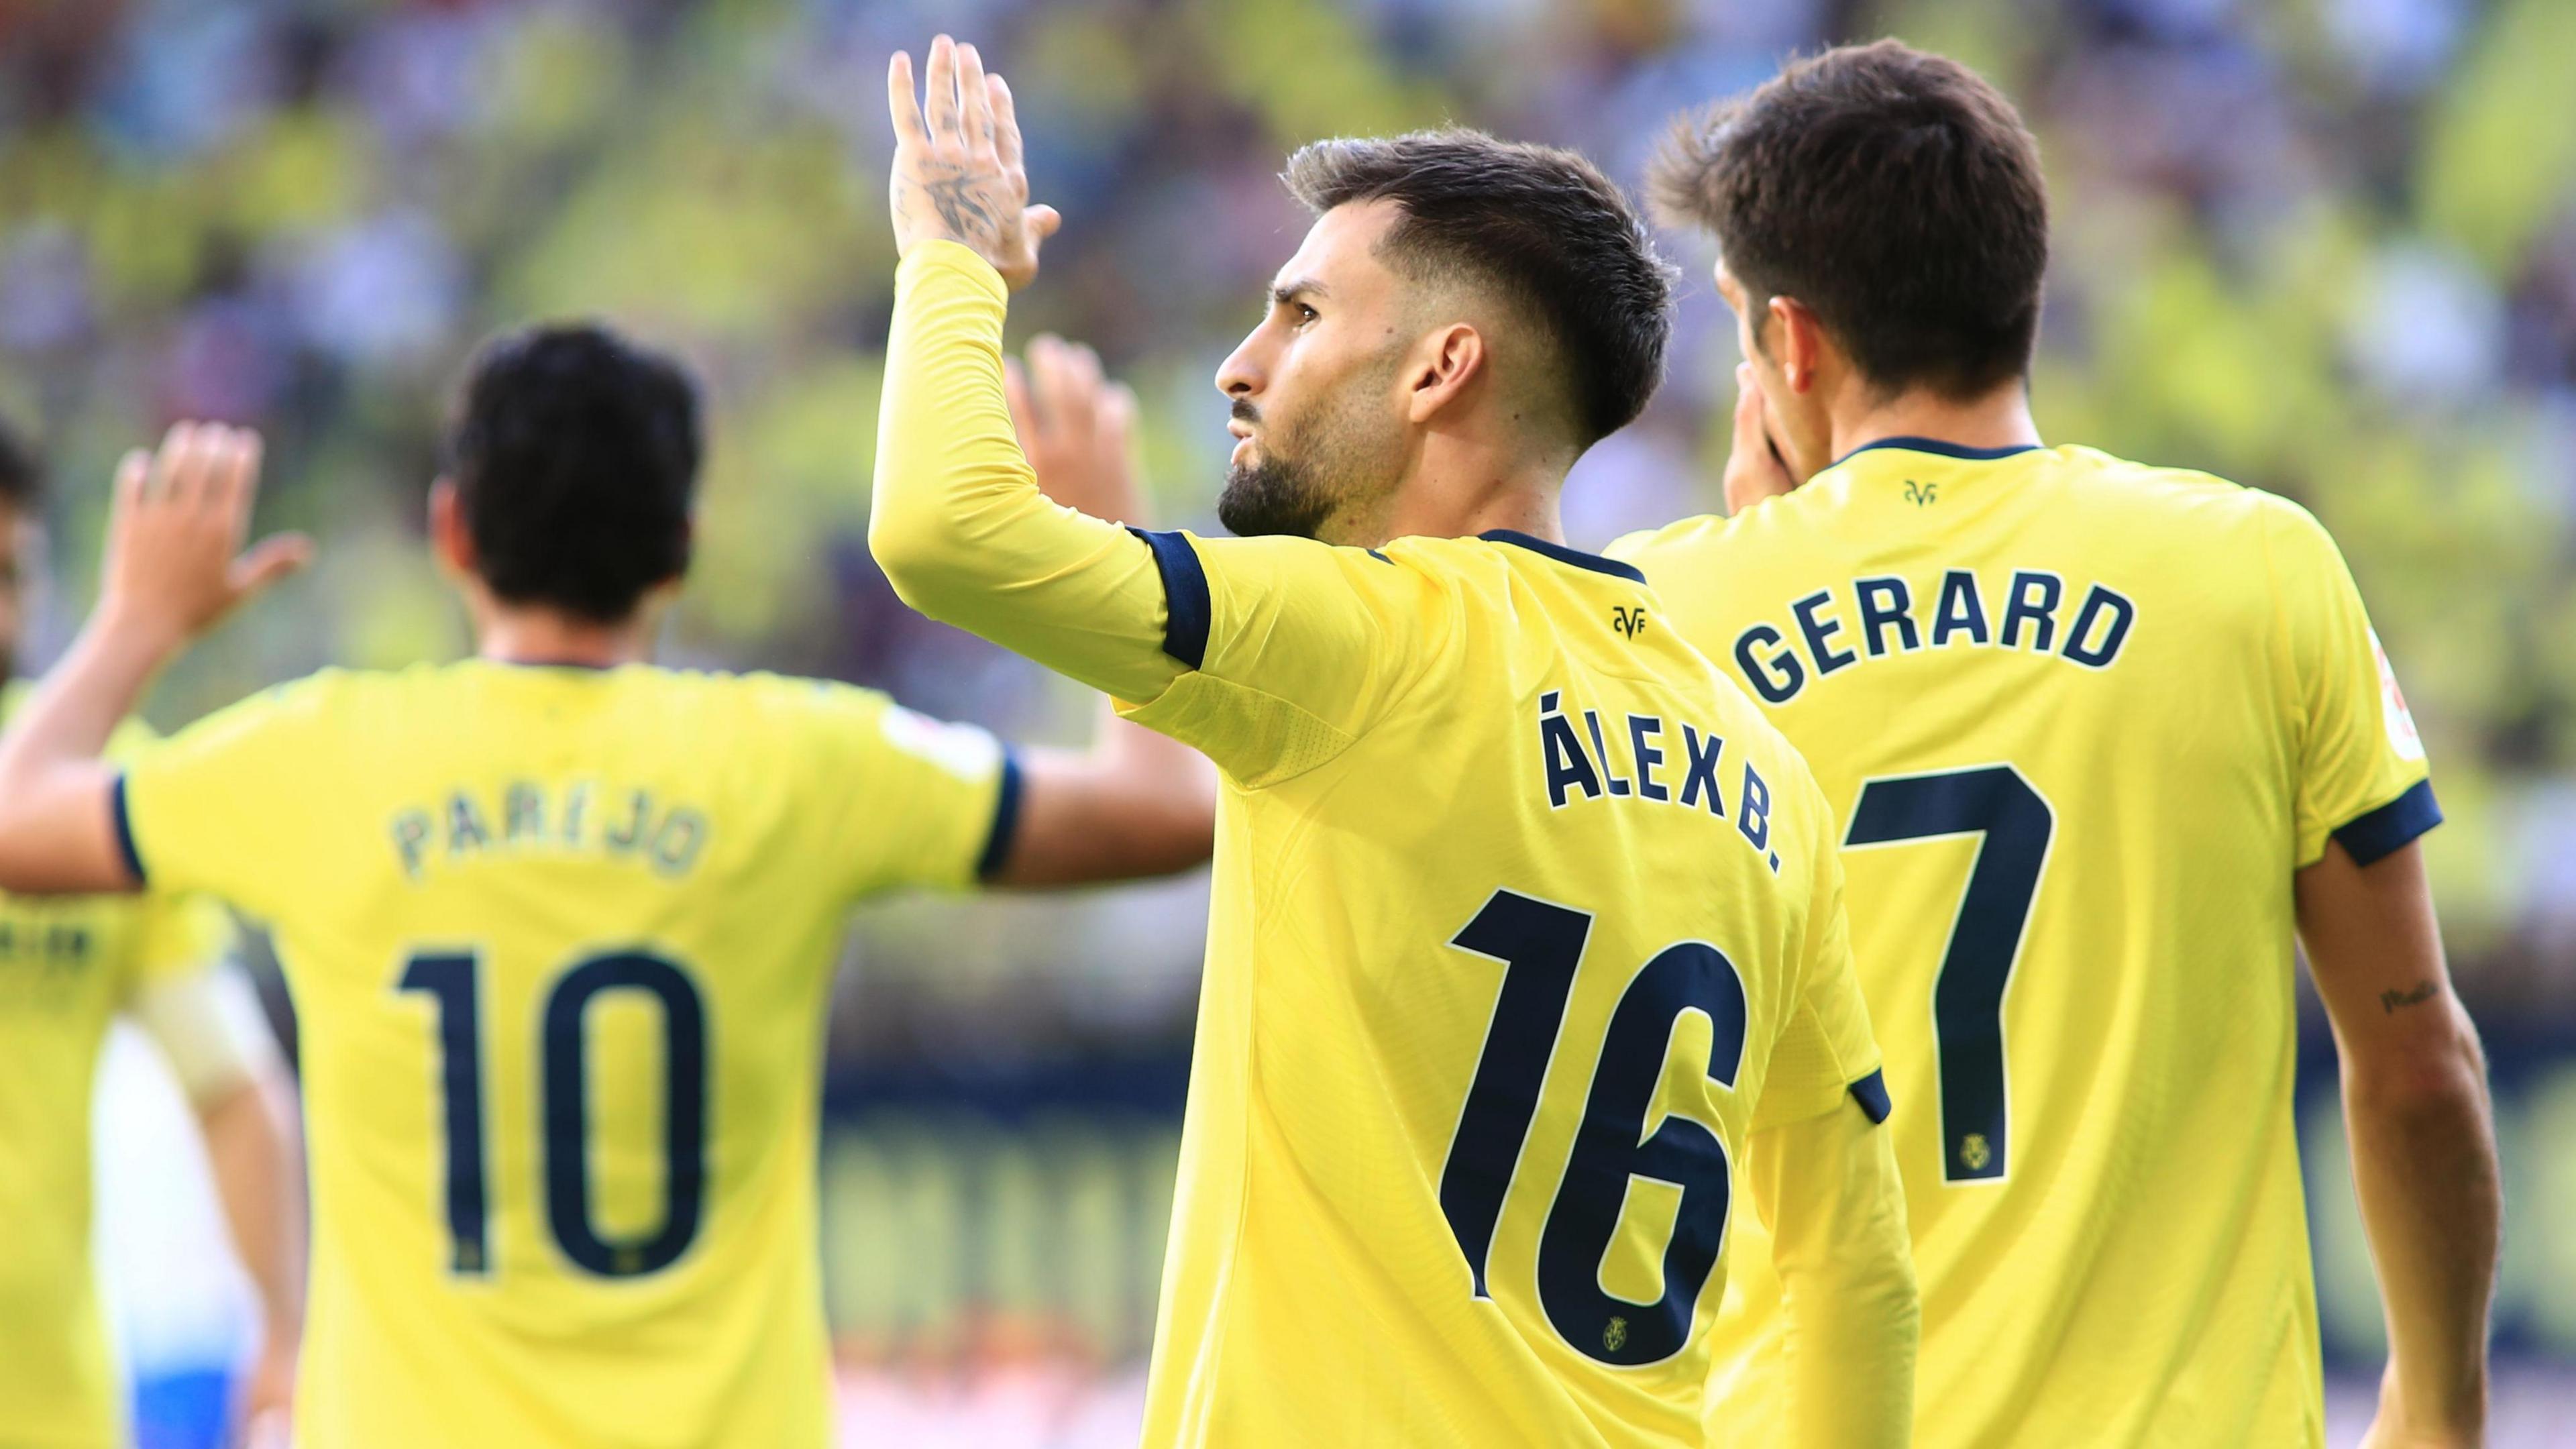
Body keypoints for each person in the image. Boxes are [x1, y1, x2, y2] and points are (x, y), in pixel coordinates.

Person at [870, 36, 1916, 1448]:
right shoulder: (1761, 771)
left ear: (1439, 371)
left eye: (1299, 317)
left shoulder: (1363, 645)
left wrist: (949, 256)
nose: (1240, 368)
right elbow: (1855, 1270)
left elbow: (943, 533)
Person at [0, 324, 1216, 1446]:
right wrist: (1102, 548)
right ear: (681, 549)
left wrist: (136, 624)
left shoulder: (319, 758)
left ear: (452, 534)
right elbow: (1167, 814)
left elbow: (15, 824)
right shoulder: (798, 761)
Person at [1613, 39, 2500, 1449]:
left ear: (1788, 341)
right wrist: (2438, 1406)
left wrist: (1747, 558)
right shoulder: (2256, 573)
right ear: (2019, 290)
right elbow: (2414, 1066)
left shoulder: (1653, 621)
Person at [0, 419, 305, 1449]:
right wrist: (135, 634)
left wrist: (283, 1328)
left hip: (57, 1415)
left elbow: (230, 1083)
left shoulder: (87, 803)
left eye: (11, 574)